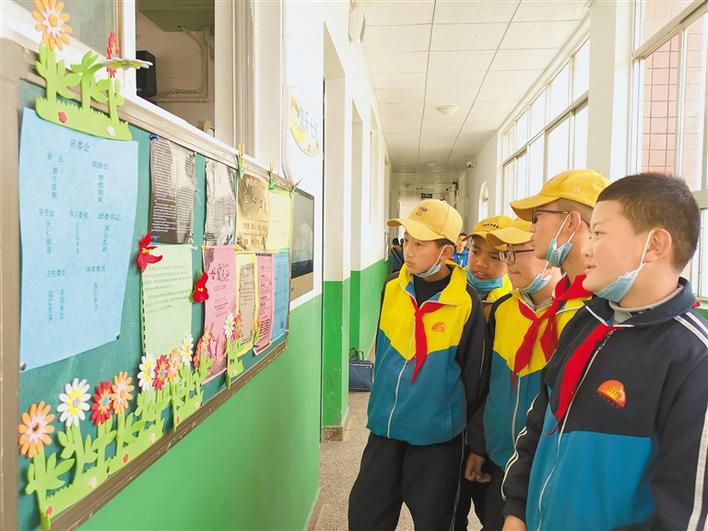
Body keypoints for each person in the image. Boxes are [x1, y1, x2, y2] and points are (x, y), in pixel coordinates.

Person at [502, 173, 708, 530]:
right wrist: (517, 509)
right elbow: (539, 420)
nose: (586, 248)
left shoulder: (692, 359)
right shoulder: (587, 321)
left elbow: (681, 515)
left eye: (598, 234)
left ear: (655, 245)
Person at [349, 199, 486, 531]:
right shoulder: (392, 288)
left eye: (420, 244)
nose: (408, 250)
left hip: (436, 440)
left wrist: (471, 440)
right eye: (407, 240)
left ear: (446, 252)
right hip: (385, 429)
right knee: (365, 515)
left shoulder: (466, 301)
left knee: (436, 521)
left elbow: (474, 377)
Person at [459, 218, 562, 531]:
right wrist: (479, 446)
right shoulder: (504, 310)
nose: (508, 262)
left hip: (545, 468)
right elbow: (489, 386)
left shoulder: (574, 319)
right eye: (506, 253)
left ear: (549, 255)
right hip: (500, 457)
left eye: (516, 252)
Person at [467, 216, 514, 308]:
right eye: (475, 252)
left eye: (494, 257)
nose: (480, 263)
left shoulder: (512, 299)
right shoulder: (448, 283)